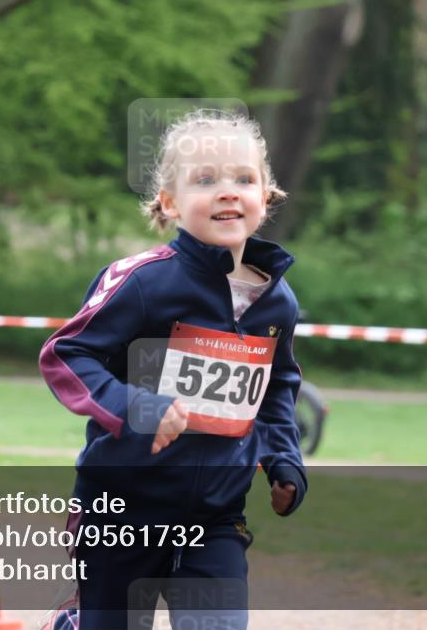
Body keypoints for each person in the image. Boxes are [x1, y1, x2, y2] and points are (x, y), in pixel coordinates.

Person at [38, 109, 306, 630]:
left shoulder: (278, 302)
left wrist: (284, 461)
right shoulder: (143, 282)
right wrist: (137, 407)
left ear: (266, 196)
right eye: (205, 180)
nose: (228, 191)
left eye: (243, 179)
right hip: (122, 509)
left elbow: (276, 389)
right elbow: (67, 355)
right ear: (169, 202)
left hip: (216, 516)